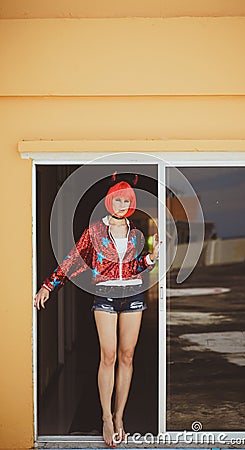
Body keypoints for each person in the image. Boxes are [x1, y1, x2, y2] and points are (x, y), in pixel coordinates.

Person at [34, 176, 160, 447]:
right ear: (109, 201)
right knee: (109, 356)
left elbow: (134, 267)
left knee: (127, 357)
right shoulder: (94, 231)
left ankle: (119, 417)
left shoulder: (136, 233)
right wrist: (48, 286)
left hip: (133, 294)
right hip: (105, 296)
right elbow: (72, 261)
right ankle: (105, 417)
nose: (122, 204)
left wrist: (150, 258)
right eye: (118, 199)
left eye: (127, 200)